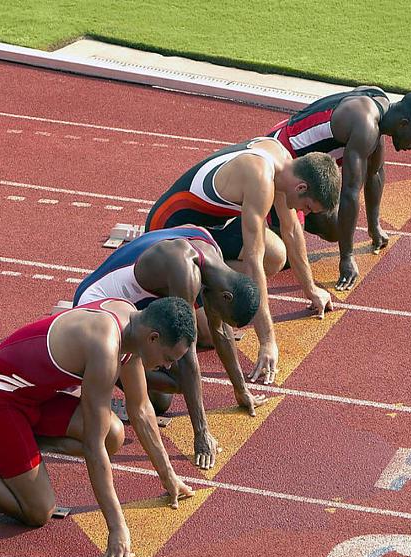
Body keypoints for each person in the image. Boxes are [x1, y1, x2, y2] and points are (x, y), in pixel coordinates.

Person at [0, 297, 196, 557]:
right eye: (169, 358)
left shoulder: (132, 324)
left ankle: (19, 450)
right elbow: (93, 448)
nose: (168, 367)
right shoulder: (105, 348)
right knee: (38, 511)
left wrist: (168, 475)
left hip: (34, 398)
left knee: (114, 434)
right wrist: (117, 528)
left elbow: (142, 408)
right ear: (153, 337)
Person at [145, 137, 340, 385]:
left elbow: (291, 231)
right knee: (203, 333)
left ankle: (207, 277)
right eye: (309, 208)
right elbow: (252, 261)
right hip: (168, 230)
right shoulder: (260, 178)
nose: (307, 214)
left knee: (276, 254)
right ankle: (197, 282)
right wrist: (267, 341)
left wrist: (311, 289)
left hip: (208, 227)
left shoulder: (284, 162)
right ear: (301, 188)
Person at [73, 225, 264, 470]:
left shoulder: (211, 254)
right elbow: (187, 353)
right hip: (95, 308)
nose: (219, 318)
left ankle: (123, 376)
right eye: (225, 314)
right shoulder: (185, 271)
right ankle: (99, 377)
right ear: (226, 297)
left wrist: (241, 390)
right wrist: (201, 433)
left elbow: (219, 330)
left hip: (129, 310)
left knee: (167, 395)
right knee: (174, 387)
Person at [268, 88, 411, 290]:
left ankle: (282, 217)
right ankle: (253, 217)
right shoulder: (365, 126)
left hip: (302, 169)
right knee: (284, 257)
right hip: (281, 162)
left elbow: (375, 171)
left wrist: (374, 226)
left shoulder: (380, 108)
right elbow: (350, 193)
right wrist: (346, 257)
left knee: (337, 228)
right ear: (403, 124)